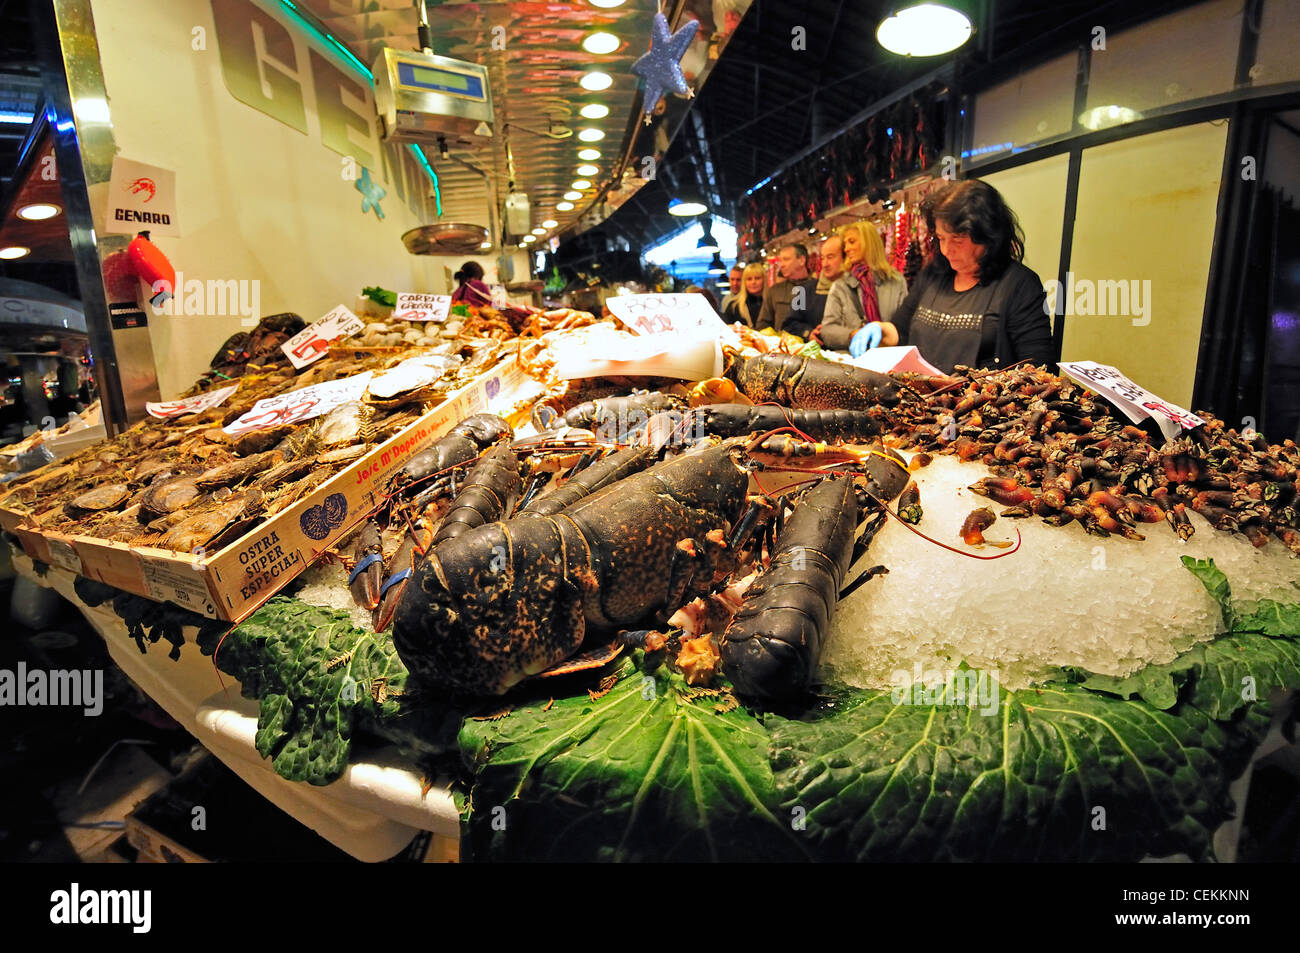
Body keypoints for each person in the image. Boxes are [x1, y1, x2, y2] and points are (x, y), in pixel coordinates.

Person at [875, 179, 1053, 374]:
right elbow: (901, 330)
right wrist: (881, 331)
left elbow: (1039, 370)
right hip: (918, 399)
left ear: (988, 236)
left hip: (977, 402)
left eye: (958, 239)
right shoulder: (934, 273)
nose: (946, 250)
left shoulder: (1019, 284)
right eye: (941, 238)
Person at [820, 221, 909, 355]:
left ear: (869, 242)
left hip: (891, 357)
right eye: (845, 244)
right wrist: (852, 334)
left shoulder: (895, 281)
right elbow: (827, 330)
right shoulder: (841, 286)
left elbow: (905, 323)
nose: (846, 249)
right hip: (855, 360)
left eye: (852, 241)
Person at [757, 243, 818, 337]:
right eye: (780, 260)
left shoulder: (817, 288)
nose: (782, 265)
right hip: (781, 348)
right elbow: (763, 324)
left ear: (802, 260)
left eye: (786, 259)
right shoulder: (775, 291)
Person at [805, 233, 846, 329]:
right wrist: (808, 333)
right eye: (823, 258)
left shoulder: (856, 287)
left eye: (830, 257)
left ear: (845, 258)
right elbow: (790, 324)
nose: (825, 264)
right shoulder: (806, 290)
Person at [724, 262, 766, 327]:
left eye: (757, 278)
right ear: (744, 282)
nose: (753, 282)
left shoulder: (772, 304)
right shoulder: (733, 306)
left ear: (764, 280)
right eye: (749, 279)